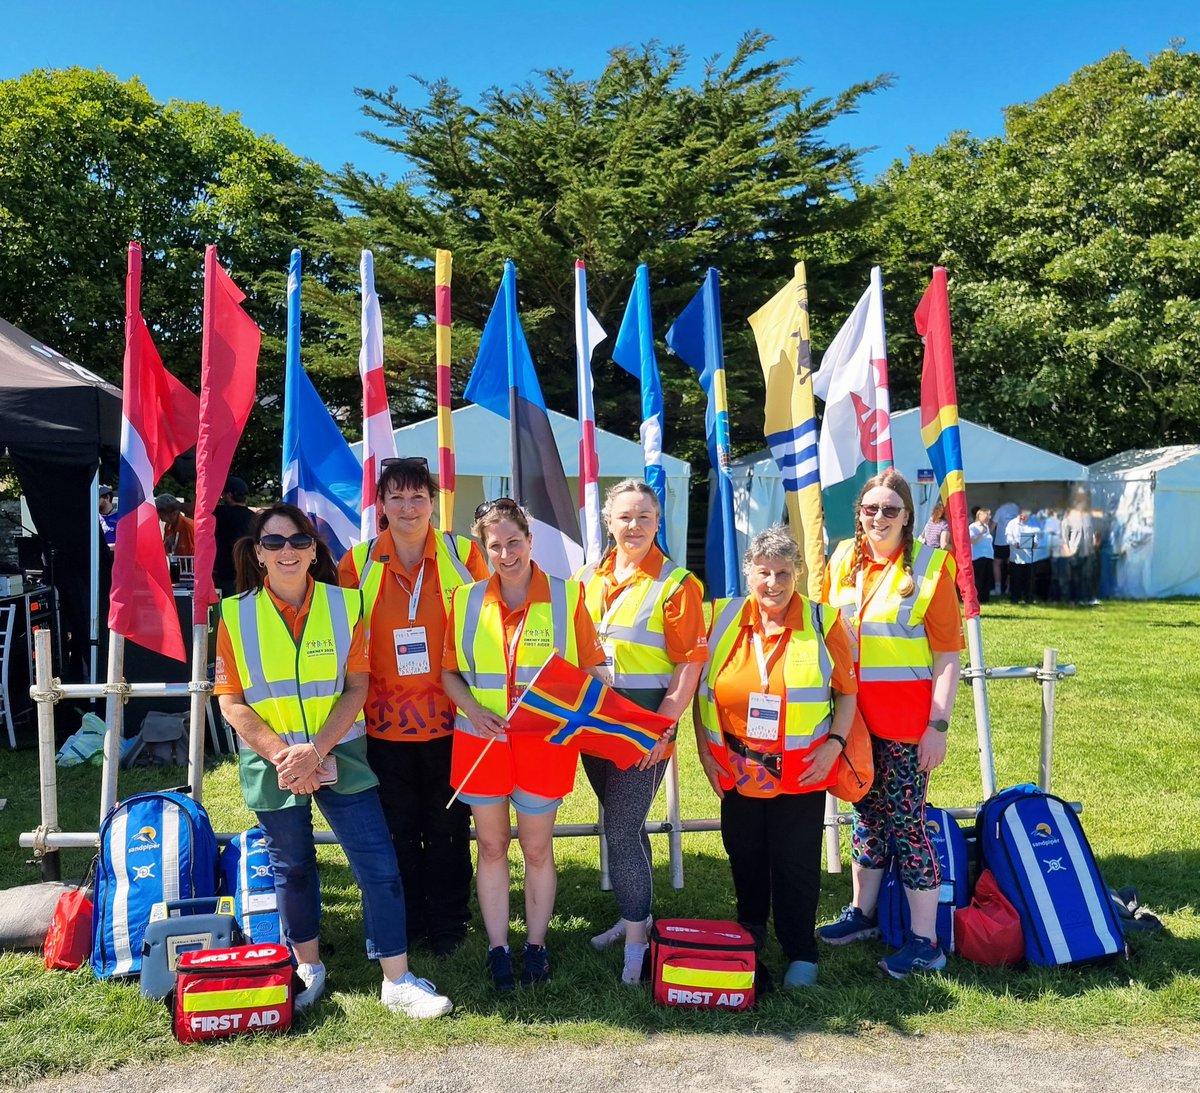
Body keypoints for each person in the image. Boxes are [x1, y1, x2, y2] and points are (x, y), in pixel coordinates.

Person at [214, 502, 453, 1019]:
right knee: (292, 869)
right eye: (274, 543)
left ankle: (397, 978)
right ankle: (308, 969)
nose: (287, 552)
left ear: (314, 550)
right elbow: (230, 700)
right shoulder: (234, 614)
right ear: (257, 553)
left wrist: (315, 751)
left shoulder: (345, 606)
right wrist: (285, 756)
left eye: (299, 542)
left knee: (378, 867)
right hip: (271, 761)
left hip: (338, 753)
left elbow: (358, 687)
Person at [442, 499, 606, 992]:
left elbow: (593, 671)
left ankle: (535, 946)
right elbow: (449, 674)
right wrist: (472, 709)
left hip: (543, 747)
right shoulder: (464, 600)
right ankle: (499, 948)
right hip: (482, 746)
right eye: (495, 545)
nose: (506, 552)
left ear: (530, 540)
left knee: (536, 850)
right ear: (483, 548)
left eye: (514, 541)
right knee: (491, 847)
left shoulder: (567, 597)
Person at [693, 526, 857, 990]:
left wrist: (834, 746)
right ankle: (751, 930)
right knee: (744, 855)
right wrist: (707, 754)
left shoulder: (825, 623)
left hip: (803, 770)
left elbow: (847, 694)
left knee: (795, 862)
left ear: (798, 574)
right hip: (737, 767)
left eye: (783, 573)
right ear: (748, 573)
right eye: (764, 572)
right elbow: (698, 692)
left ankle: (800, 950)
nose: (773, 583)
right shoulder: (721, 619)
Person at [337, 456, 489, 956]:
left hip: (453, 718)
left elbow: (488, 629)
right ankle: (406, 920)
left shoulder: (464, 554)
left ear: (433, 501)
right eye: (397, 497)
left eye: (418, 496)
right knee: (397, 831)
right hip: (382, 724)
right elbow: (345, 641)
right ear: (381, 504)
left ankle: (448, 924)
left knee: (447, 828)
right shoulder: (356, 563)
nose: (408, 507)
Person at [816, 469, 963, 979]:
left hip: (906, 726)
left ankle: (927, 944)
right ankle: (863, 915)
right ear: (858, 514)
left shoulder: (930, 568)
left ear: (908, 517)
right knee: (867, 818)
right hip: (853, 721)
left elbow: (947, 656)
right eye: (871, 509)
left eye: (890, 510)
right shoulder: (841, 560)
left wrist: (937, 726)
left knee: (908, 826)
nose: (879, 517)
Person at [574, 479, 706, 983]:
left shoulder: (676, 584)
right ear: (608, 521)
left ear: (657, 523)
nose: (633, 526)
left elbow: (687, 667)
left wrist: (663, 729)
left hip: (643, 729)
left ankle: (636, 939)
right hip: (595, 724)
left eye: (644, 518)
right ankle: (638, 915)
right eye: (624, 517)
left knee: (622, 828)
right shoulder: (587, 577)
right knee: (618, 822)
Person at [213, 475, 255, 598]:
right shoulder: (254, 517)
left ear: (229, 495)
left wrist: (177, 505)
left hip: (226, 573)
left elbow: (198, 511)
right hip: (247, 571)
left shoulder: (221, 514)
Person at [1061, 492, 1099, 605]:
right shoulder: (1069, 517)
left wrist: (1094, 544)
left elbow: (1092, 532)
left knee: (1087, 576)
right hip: (1074, 551)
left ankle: (1087, 598)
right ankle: (1073, 599)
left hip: (1087, 550)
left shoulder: (1089, 517)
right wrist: (1067, 550)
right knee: (1074, 577)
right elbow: (1064, 535)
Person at [1005, 507, 1038, 605]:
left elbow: (1036, 538)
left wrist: (1035, 543)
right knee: (1016, 579)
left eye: (1026, 516)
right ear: (1019, 514)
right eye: (1022, 515)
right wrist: (1015, 543)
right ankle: (1015, 598)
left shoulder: (1033, 524)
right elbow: (1008, 537)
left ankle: (1029, 598)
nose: (1023, 518)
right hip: (1016, 557)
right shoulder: (1012, 523)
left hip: (1029, 557)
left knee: (1029, 579)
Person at [991, 498, 1019, 595]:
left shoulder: (1000, 510)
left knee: (997, 564)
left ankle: (998, 587)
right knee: (1011, 565)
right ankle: (1008, 588)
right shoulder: (1017, 509)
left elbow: (992, 527)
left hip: (1000, 542)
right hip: (1013, 542)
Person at [968, 506, 993, 605]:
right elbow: (972, 541)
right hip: (978, 556)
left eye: (989, 515)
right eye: (987, 515)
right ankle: (977, 597)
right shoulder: (973, 527)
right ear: (980, 515)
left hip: (988, 556)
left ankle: (985, 597)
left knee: (987, 577)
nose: (989, 517)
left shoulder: (986, 527)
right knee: (979, 578)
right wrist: (981, 534)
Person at [98, 484, 117, 549]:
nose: (93, 501)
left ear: (107, 498)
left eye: (97, 498)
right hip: (97, 557)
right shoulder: (93, 518)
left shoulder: (120, 518)